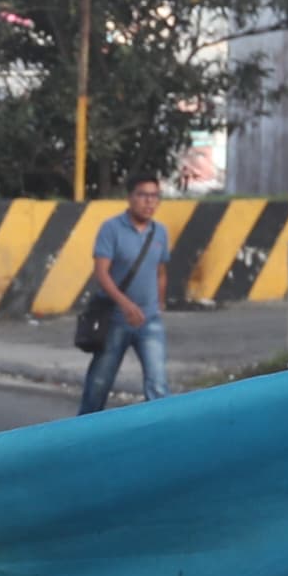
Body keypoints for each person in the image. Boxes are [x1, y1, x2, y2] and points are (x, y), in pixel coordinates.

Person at [76, 177, 175, 414]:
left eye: (154, 196)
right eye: (143, 195)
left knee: (158, 384)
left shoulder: (159, 232)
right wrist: (126, 304)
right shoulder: (111, 229)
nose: (149, 202)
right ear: (130, 197)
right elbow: (101, 273)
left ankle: (164, 434)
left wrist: (159, 303)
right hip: (115, 320)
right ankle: (83, 433)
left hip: (149, 320)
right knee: (98, 385)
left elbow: (161, 271)